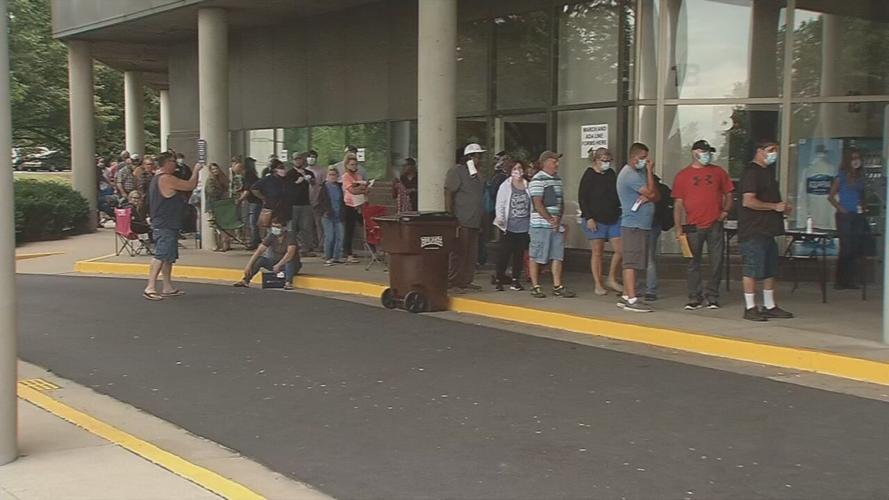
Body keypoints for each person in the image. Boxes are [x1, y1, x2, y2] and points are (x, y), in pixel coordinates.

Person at [673, 140, 734, 310]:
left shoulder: (718, 172)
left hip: (715, 223)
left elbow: (729, 193)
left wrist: (725, 211)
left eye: (709, 152)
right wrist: (678, 227)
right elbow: (678, 204)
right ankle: (695, 296)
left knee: (717, 261)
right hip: (692, 225)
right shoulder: (683, 175)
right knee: (693, 263)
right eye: (704, 152)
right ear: (695, 153)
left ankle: (712, 296)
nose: (707, 155)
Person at [738, 140, 794, 321]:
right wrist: (774, 206)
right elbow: (748, 201)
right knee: (752, 269)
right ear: (759, 151)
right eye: (771, 150)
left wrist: (782, 208)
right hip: (754, 230)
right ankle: (750, 307)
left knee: (770, 269)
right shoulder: (752, 172)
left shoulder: (768, 172)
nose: (774, 154)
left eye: (776, 150)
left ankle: (770, 305)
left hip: (769, 230)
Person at [143, 153, 203, 301]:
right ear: (166, 163)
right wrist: (196, 171)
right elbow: (190, 185)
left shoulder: (157, 178)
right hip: (165, 223)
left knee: (168, 257)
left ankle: (167, 286)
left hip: (168, 222)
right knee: (161, 255)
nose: (176, 164)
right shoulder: (166, 178)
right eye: (173, 161)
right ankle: (150, 287)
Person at [615, 142, 659, 312]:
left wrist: (650, 193)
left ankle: (627, 295)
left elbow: (655, 194)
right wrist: (650, 172)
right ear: (634, 158)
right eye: (642, 158)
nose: (646, 161)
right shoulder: (629, 175)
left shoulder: (639, 173)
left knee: (637, 261)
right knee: (631, 262)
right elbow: (650, 192)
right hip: (633, 225)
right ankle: (632, 300)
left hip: (642, 224)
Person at [526, 151, 576, 299]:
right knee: (536, 254)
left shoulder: (557, 179)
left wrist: (558, 220)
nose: (557, 164)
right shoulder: (537, 180)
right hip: (540, 225)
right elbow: (537, 203)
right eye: (554, 161)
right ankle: (535, 286)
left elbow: (560, 202)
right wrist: (549, 219)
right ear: (545, 162)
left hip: (556, 225)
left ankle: (557, 285)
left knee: (557, 255)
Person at [579, 147, 623, 296]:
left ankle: (611, 278)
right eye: (604, 161)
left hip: (613, 216)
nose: (606, 163)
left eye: (609, 161)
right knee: (598, 252)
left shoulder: (611, 174)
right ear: (596, 160)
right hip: (595, 218)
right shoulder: (589, 175)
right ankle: (598, 283)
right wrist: (589, 217)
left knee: (620, 249)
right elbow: (583, 198)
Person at [445, 143, 486, 292]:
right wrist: (450, 215)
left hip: (475, 219)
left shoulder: (477, 174)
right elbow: (449, 192)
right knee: (459, 251)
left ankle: (466, 280)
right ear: (468, 157)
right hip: (462, 218)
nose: (479, 159)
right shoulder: (457, 171)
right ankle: (452, 281)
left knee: (471, 252)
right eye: (477, 156)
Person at [828, 147, 867, 290]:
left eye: (858, 158)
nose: (856, 161)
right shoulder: (841, 176)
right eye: (853, 158)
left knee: (855, 247)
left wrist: (863, 207)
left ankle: (850, 280)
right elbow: (831, 196)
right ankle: (840, 280)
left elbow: (862, 195)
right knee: (846, 247)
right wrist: (841, 208)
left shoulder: (860, 177)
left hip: (857, 214)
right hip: (844, 215)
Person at [232, 217, 301, 291]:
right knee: (260, 260)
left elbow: (290, 254)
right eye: (273, 226)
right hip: (276, 263)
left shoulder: (290, 236)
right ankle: (246, 280)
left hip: (291, 266)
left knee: (289, 261)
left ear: (284, 228)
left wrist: (279, 265)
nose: (275, 229)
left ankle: (288, 282)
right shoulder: (272, 236)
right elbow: (259, 251)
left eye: (278, 227)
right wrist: (249, 265)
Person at [493, 161, 530, 291]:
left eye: (520, 168)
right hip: (508, 226)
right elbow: (500, 203)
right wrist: (500, 218)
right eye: (515, 168)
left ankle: (515, 279)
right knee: (504, 253)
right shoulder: (505, 186)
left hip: (523, 226)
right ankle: (499, 278)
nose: (518, 170)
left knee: (519, 254)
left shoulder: (527, 185)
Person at [287, 152, 317, 257]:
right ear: (292, 161)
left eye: (300, 159)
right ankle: (292, 249)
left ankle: (305, 248)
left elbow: (314, 183)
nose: (298, 161)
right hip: (293, 204)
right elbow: (287, 187)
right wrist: (296, 182)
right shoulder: (289, 174)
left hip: (305, 203)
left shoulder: (308, 172)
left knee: (306, 227)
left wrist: (306, 177)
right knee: (292, 227)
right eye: (296, 159)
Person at [251, 158, 295, 231]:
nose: (284, 170)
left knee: (286, 231)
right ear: (274, 169)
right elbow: (254, 188)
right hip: (272, 209)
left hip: (286, 210)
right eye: (281, 168)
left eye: (284, 168)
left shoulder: (287, 179)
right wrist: (263, 198)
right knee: (273, 232)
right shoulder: (267, 179)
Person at [341, 153, 369, 264]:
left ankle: (372, 249)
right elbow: (352, 190)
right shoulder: (346, 176)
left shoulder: (358, 176)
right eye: (352, 164)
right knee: (349, 230)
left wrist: (362, 189)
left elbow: (364, 188)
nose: (354, 166)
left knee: (366, 226)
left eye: (355, 164)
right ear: (347, 165)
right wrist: (361, 189)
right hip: (349, 205)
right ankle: (348, 253)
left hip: (360, 204)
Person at [317, 168, 346, 265]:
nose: (332, 176)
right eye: (330, 174)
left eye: (334, 174)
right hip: (328, 215)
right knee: (330, 236)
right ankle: (328, 256)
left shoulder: (339, 187)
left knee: (340, 236)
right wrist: (324, 211)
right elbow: (320, 201)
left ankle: (336, 256)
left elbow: (342, 201)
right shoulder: (324, 188)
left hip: (338, 215)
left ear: (337, 176)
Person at [236, 157, 262, 249]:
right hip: (252, 201)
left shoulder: (249, 176)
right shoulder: (245, 176)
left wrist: (239, 200)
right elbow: (245, 188)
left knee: (253, 222)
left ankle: (254, 241)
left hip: (256, 201)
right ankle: (256, 238)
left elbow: (248, 190)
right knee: (252, 222)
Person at [204, 162, 232, 252]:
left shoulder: (222, 178)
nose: (215, 171)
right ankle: (216, 245)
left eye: (216, 168)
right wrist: (222, 191)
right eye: (213, 169)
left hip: (221, 204)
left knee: (222, 225)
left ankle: (225, 244)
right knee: (214, 225)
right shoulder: (210, 180)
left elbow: (227, 186)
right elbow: (211, 192)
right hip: (213, 205)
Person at [307, 149, 326, 253]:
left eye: (313, 157)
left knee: (319, 224)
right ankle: (312, 243)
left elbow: (324, 185)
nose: (311, 159)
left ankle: (321, 244)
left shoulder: (322, 170)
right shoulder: (304, 170)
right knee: (309, 225)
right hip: (306, 201)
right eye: (309, 157)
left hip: (318, 200)